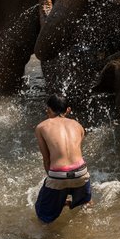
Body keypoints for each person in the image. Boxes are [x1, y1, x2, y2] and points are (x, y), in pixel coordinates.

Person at [34, 94, 91, 223]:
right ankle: (76, 202)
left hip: (58, 174)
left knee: (43, 215)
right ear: (68, 110)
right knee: (86, 202)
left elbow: (47, 159)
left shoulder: (41, 127)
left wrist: (54, 180)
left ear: (48, 110)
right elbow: (74, 153)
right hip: (81, 172)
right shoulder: (78, 126)